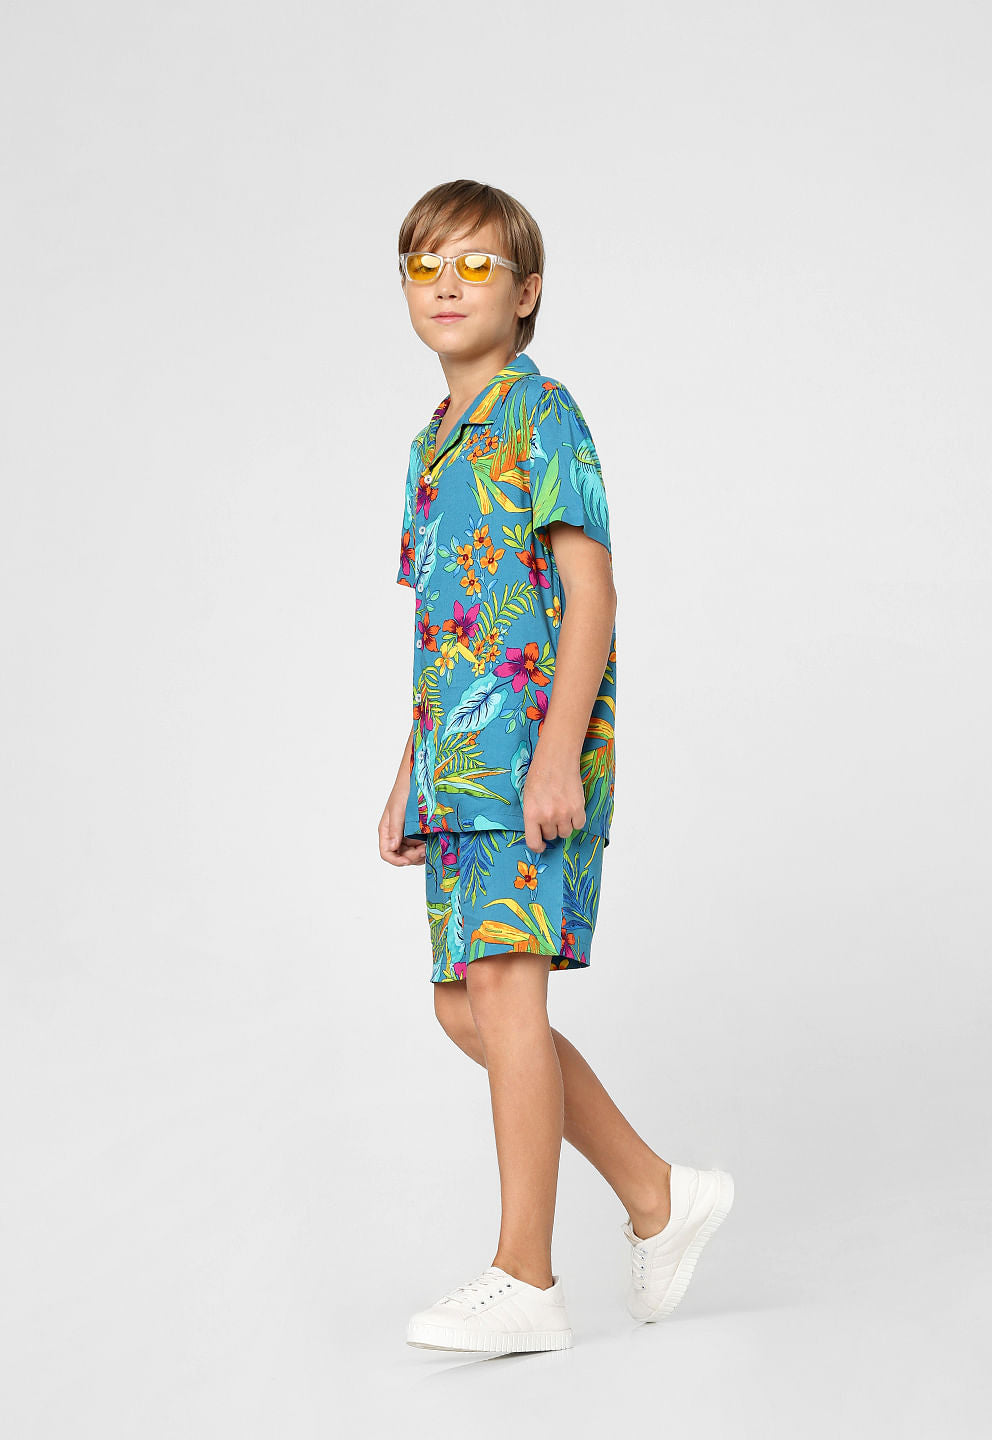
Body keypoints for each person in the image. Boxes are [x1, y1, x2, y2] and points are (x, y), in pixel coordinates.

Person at [379, 179, 734, 1354]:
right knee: (466, 1007)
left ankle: (525, 1277)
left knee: (504, 994)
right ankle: (658, 1194)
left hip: (527, 762)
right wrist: (409, 772)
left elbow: (592, 596)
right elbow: (448, 631)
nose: (448, 284)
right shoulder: (431, 447)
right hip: (457, 769)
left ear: (526, 293)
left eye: (476, 265)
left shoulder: (543, 416)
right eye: (426, 264)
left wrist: (554, 758)